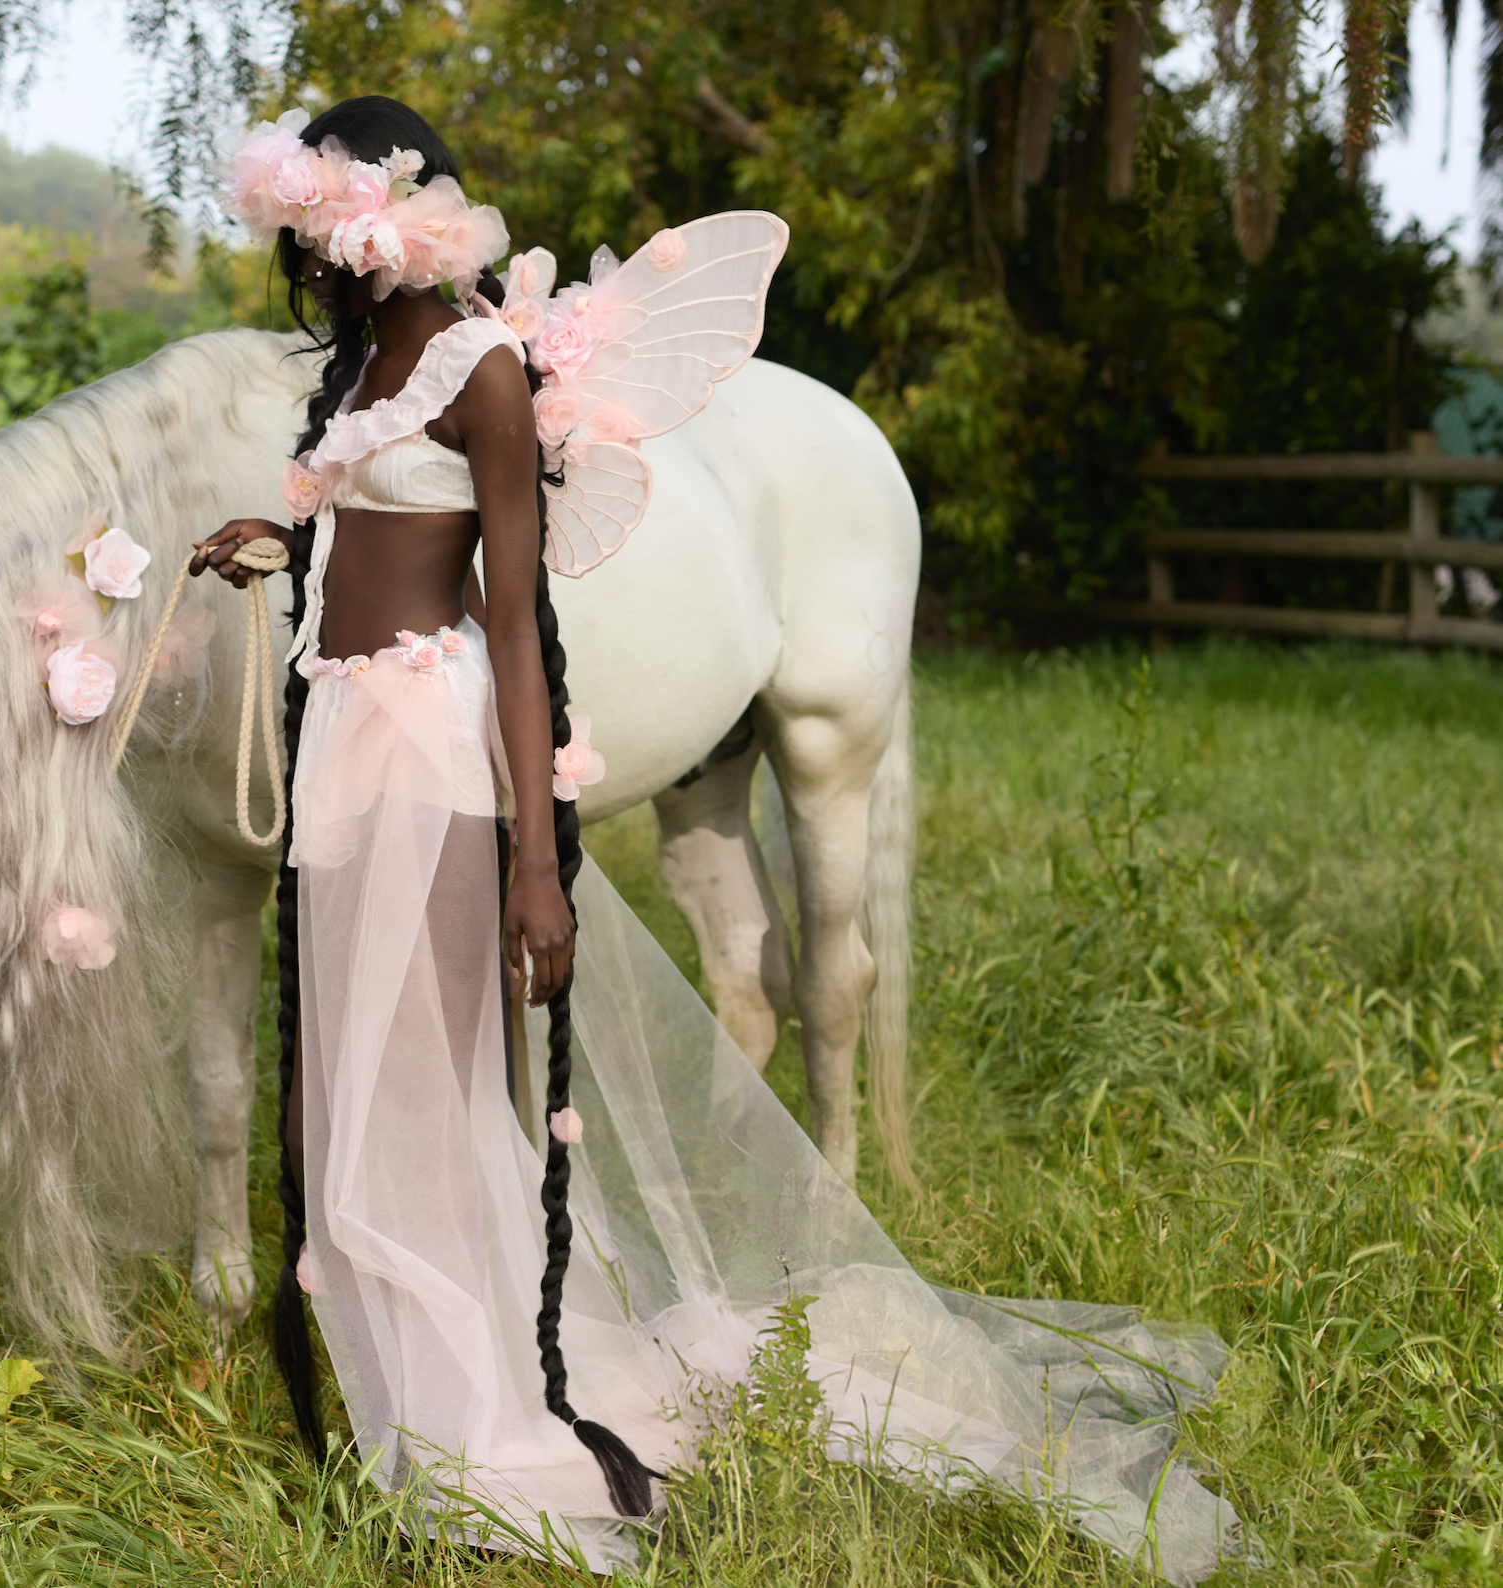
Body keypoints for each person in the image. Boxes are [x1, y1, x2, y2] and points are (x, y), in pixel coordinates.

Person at [189, 96, 1238, 1580]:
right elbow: (381, 529)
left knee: (425, 1062)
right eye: (306, 237)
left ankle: (477, 1396)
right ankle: (396, 1367)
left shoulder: (485, 369)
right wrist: (278, 545)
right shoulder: (366, 364)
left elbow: (520, 617)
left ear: (391, 214)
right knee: (352, 1073)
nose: (319, 256)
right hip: (346, 733)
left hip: (434, 742)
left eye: (327, 227)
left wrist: (543, 861)